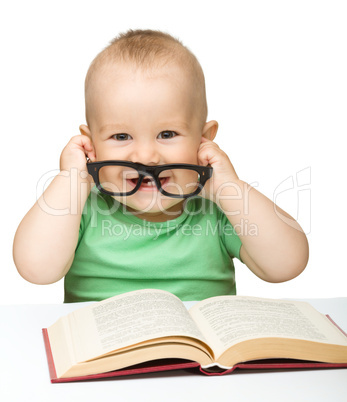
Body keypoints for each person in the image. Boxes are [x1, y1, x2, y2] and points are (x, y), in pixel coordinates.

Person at [13, 29, 309, 302]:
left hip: (197, 357)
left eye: (167, 134)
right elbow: (37, 270)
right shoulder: (80, 208)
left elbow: (286, 265)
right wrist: (71, 180)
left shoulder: (217, 209)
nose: (146, 157)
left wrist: (229, 189)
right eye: (121, 136)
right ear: (91, 146)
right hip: (105, 356)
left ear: (203, 140)